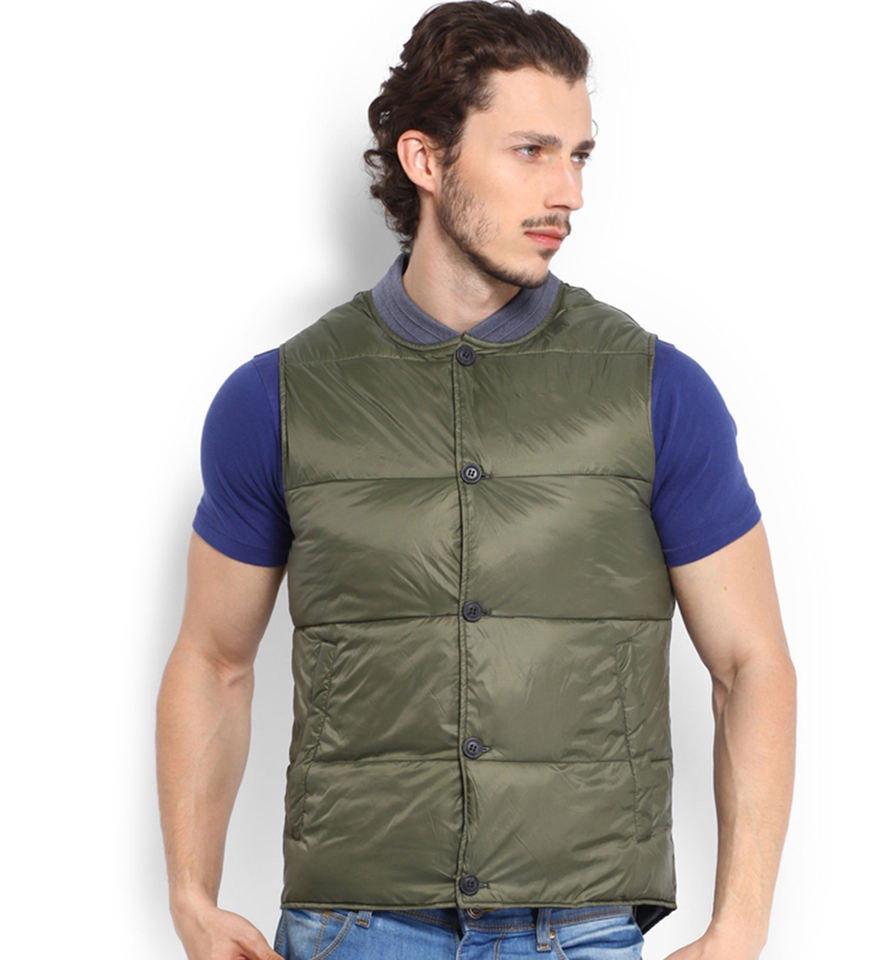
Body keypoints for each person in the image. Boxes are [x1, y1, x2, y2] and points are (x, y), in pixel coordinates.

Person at [155, 2, 797, 958]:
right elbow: (213, 660)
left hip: (577, 928)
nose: (568, 192)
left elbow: (752, 665)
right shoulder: (278, 398)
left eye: (579, 156)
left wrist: (741, 924)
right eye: (532, 151)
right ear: (425, 159)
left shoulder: (656, 390)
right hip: (354, 928)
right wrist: (190, 895)